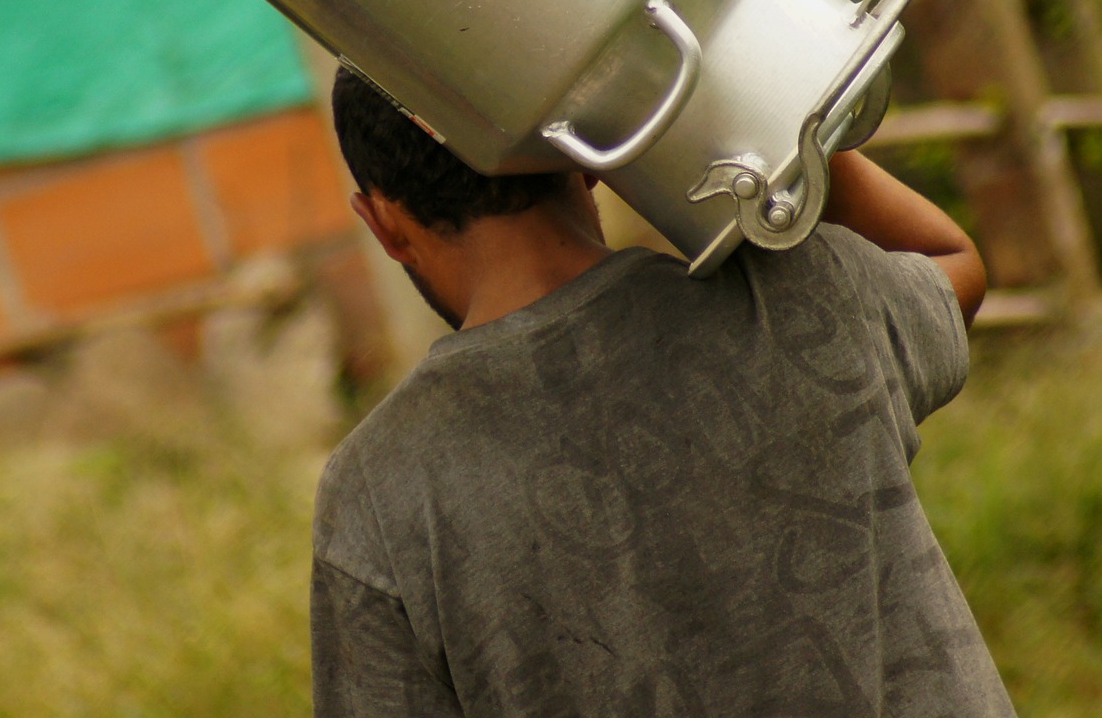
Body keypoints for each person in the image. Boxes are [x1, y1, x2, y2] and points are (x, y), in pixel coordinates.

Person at [311, 67, 1016, 717]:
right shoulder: (801, 299)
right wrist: (707, 101)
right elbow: (949, 265)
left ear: (384, 224)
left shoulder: (378, 491)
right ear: (590, 162)